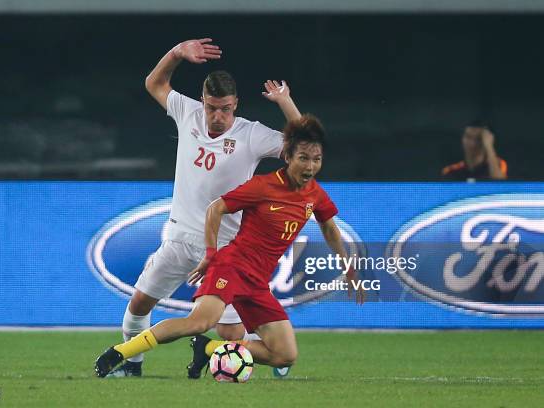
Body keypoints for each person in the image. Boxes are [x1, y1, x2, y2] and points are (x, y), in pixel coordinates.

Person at [94, 114, 365, 379]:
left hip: (257, 282)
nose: (310, 166)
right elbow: (216, 209)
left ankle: (208, 348)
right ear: (288, 158)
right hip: (232, 267)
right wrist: (212, 255)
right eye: (303, 158)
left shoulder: (314, 194)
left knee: (284, 354)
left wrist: (348, 268)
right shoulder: (263, 186)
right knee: (199, 323)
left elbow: (329, 228)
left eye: (316, 160)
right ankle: (120, 352)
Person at [107, 37, 302, 377]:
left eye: (225, 109)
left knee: (230, 332)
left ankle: (268, 358)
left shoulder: (251, 134)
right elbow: (154, 83)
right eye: (212, 107)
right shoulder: (187, 112)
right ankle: (132, 367)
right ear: (202, 102)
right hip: (180, 239)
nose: (217, 116)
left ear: (236, 105)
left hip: (224, 249)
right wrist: (176, 53)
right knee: (139, 302)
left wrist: (285, 102)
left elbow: (302, 145)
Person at [442, 121, 508, 181]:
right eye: (468, 137)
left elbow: (500, 186)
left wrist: (489, 147)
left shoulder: (498, 164)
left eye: (478, 139)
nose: (472, 143)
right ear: (462, 139)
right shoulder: (451, 170)